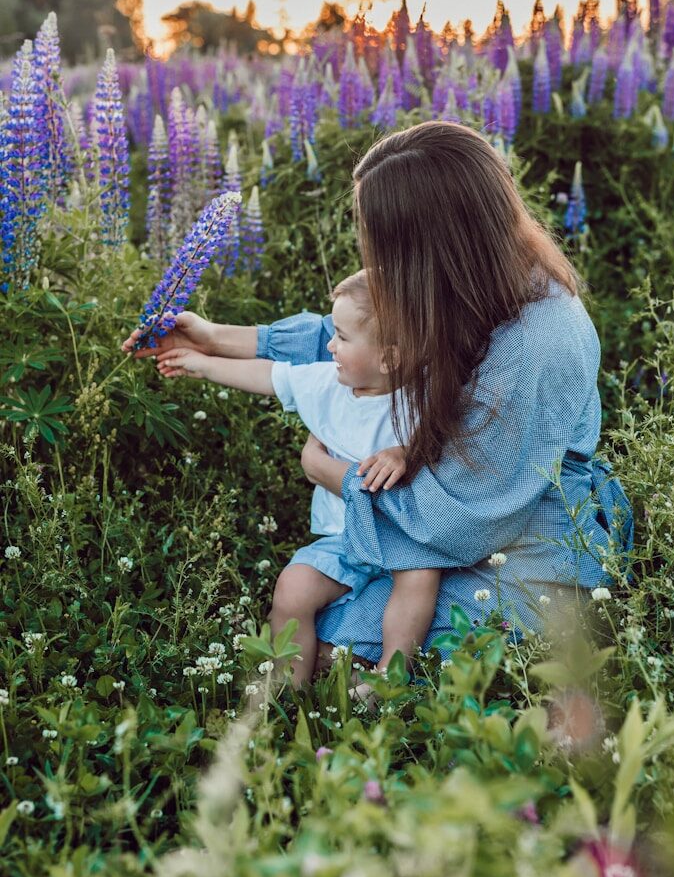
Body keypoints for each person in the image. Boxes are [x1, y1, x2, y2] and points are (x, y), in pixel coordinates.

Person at [124, 120, 634, 671]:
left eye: (383, 244)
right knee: (311, 618)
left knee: (333, 647)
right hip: (460, 519)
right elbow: (364, 338)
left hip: (527, 547)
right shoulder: (483, 282)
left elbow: (461, 521)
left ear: (431, 246)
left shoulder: (532, 346)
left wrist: (336, 476)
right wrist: (216, 338)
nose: (375, 261)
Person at [136, 269, 441, 685]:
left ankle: (391, 677)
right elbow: (269, 376)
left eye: (342, 337)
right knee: (293, 587)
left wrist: (405, 452)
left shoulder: (424, 398)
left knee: (421, 576)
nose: (329, 345)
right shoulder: (326, 384)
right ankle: (286, 690)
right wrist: (200, 363)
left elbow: (450, 442)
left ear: (389, 358)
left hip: (401, 535)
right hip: (343, 538)